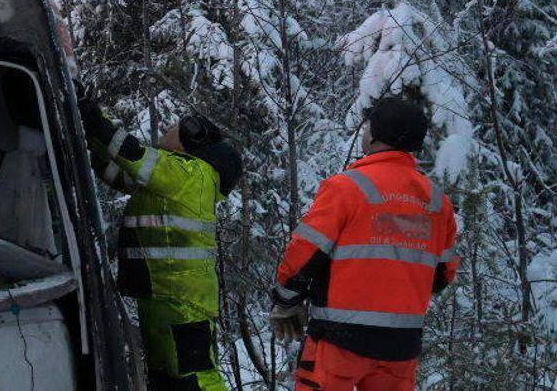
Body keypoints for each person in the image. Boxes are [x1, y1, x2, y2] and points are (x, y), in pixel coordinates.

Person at [269, 95, 456, 391]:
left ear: (376, 135)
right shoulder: (437, 201)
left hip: (339, 340)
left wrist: (286, 301)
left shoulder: (347, 187)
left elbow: (305, 253)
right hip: (401, 345)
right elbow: (443, 274)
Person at [82, 99, 243, 391]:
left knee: (197, 380)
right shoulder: (172, 179)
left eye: (172, 128)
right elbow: (116, 171)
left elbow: (131, 153)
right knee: (167, 381)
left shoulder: (190, 173)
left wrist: (90, 111)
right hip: (161, 296)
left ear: (190, 140)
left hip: (182, 303)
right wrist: (91, 140)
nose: (165, 130)